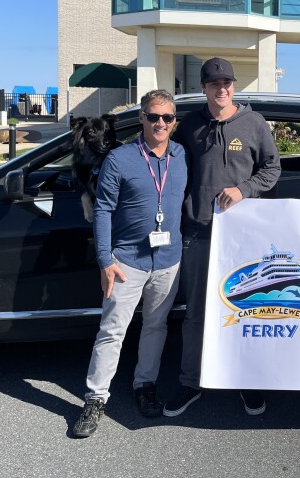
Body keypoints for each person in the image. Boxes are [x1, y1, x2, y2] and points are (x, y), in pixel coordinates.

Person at [163, 58, 281, 418]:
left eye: (227, 82)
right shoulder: (190, 126)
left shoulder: (253, 123)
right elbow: (166, 160)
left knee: (245, 310)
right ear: (204, 87)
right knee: (196, 314)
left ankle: (245, 380)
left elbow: (272, 168)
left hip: (242, 237)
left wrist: (245, 189)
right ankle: (190, 382)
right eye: (215, 83)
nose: (222, 88)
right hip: (197, 233)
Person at [72, 90, 188, 438]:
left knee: (156, 326)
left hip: (169, 261)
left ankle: (145, 384)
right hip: (127, 262)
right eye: (153, 116)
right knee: (112, 331)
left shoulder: (180, 155)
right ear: (141, 118)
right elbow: (103, 210)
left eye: (167, 118)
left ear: (174, 122)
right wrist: (106, 260)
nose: (160, 123)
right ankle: (95, 398)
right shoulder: (120, 159)